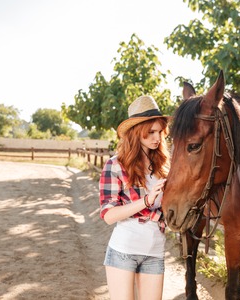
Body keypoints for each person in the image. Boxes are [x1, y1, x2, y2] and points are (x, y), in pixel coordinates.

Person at [99, 95, 170, 300]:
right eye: (151, 132)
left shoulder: (165, 167)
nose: (157, 138)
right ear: (137, 133)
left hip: (155, 252)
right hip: (123, 251)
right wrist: (146, 201)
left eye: (160, 132)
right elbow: (108, 215)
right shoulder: (116, 165)